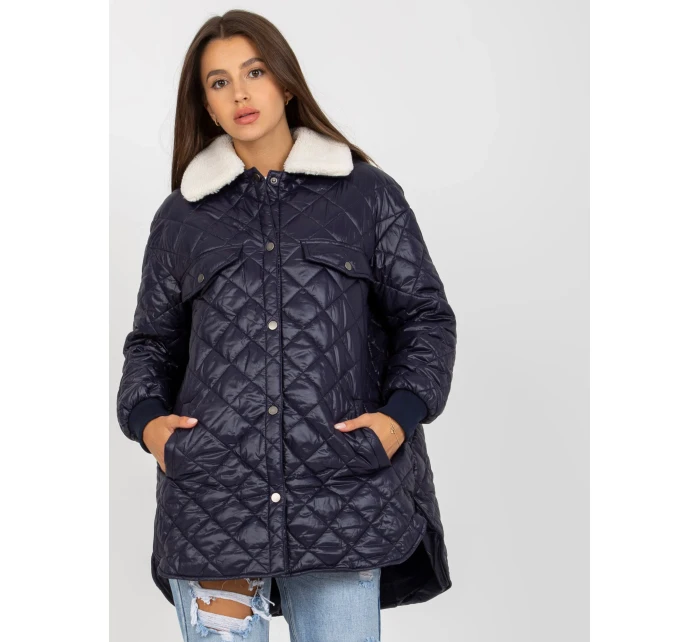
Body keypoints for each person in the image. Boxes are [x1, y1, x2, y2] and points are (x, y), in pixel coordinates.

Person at [116, 9, 457, 642]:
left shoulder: (367, 195)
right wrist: (149, 424)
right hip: (214, 502)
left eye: (254, 72)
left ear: (286, 82)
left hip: (340, 496)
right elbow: (152, 343)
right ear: (206, 105)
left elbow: (425, 318)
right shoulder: (181, 218)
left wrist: (397, 420)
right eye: (219, 82)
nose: (240, 94)